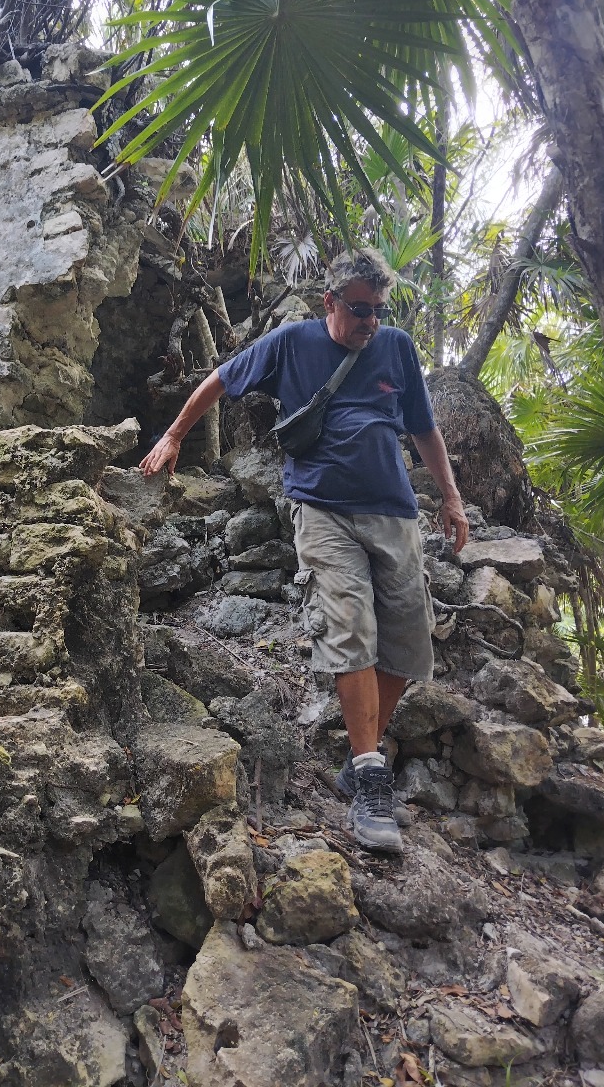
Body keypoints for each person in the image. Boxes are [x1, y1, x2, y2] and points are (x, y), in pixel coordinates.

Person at [140, 248, 469, 853]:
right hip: (320, 508)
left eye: (378, 311)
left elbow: (424, 427)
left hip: (393, 511)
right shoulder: (292, 342)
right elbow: (221, 378)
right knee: (349, 628)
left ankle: (357, 759)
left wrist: (450, 497)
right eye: (359, 310)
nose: (370, 322)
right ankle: (370, 777)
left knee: (408, 643)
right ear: (330, 302)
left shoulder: (395, 346)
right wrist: (173, 434)